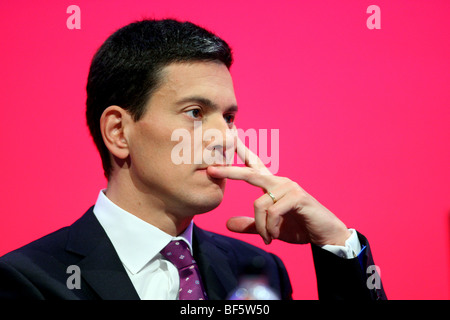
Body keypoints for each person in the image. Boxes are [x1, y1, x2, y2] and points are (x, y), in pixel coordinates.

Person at [0, 19, 386, 300]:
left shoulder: (256, 270)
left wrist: (337, 244)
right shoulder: (30, 280)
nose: (225, 138)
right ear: (119, 132)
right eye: (195, 113)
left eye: (229, 117)